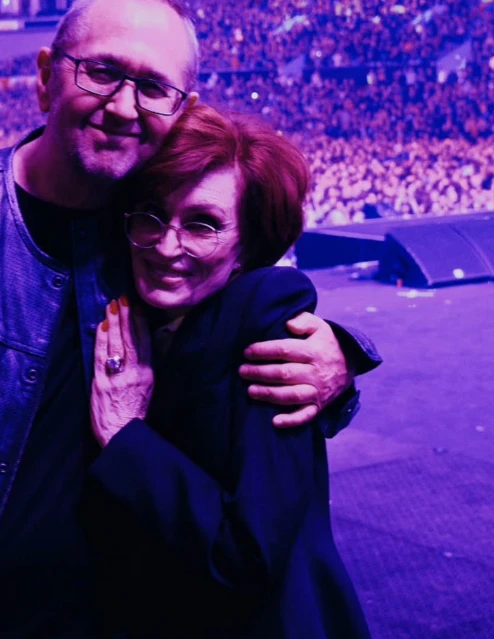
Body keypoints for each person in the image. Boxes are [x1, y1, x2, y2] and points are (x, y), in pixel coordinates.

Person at [0, 0, 380, 639]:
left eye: (152, 87)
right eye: (101, 71)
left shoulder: (155, 235)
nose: (123, 106)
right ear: (46, 77)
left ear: (182, 110)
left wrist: (335, 363)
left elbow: (241, 344)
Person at [85, 104, 371, 637]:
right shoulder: (133, 311)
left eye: (203, 225)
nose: (167, 246)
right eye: (151, 215)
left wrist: (127, 437)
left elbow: (247, 556)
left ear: (248, 247)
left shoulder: (265, 318)